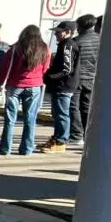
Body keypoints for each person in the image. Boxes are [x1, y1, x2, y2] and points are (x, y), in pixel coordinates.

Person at [0, 24, 50, 156]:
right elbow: (45, 69)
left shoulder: (15, 48)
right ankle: (26, 149)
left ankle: (5, 149)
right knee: (30, 119)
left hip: (15, 86)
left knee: (10, 119)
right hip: (34, 86)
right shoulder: (44, 49)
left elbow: (5, 67)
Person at [39, 21, 77, 153]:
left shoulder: (67, 46)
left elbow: (67, 69)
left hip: (64, 86)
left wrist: (51, 77)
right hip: (60, 86)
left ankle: (61, 141)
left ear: (68, 32)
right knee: (57, 113)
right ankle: (57, 137)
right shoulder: (63, 45)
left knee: (62, 114)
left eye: (59, 31)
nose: (56, 34)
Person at [68, 13, 102, 147]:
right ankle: (88, 134)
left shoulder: (76, 41)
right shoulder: (101, 40)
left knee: (73, 106)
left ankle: (77, 135)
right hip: (92, 78)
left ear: (80, 26)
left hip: (78, 78)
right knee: (86, 106)